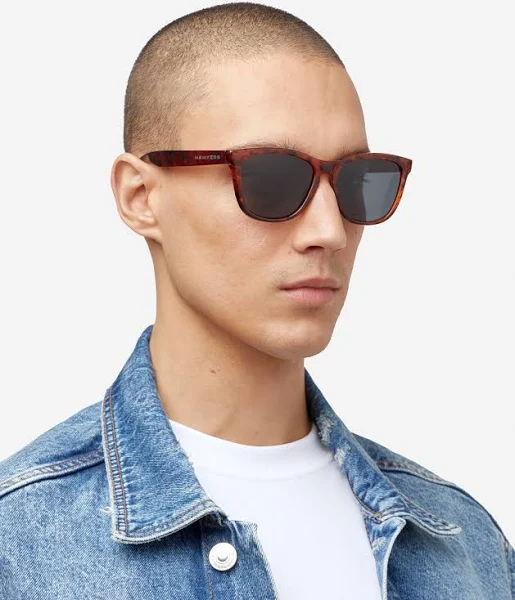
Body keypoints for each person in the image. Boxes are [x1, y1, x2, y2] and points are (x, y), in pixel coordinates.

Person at [0, 2, 512, 599]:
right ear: (141, 196)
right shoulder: (20, 546)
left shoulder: (464, 544)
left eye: (356, 181)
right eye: (270, 178)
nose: (329, 230)